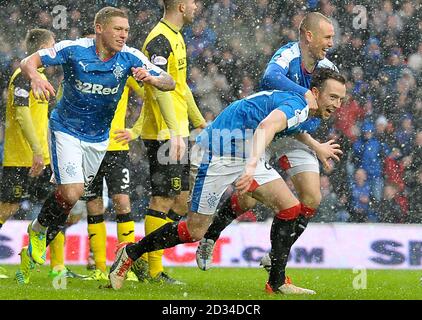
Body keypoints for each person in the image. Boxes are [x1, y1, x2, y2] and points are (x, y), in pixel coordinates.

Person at [108, 68, 346, 293]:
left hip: (243, 151)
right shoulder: (299, 103)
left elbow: (288, 126)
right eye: (332, 97)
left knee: (290, 208)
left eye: (340, 100)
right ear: (315, 93)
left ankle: (276, 282)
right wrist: (252, 166)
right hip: (217, 153)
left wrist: (316, 147)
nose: (336, 105)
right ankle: (130, 252)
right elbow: (267, 126)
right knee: (194, 231)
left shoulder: (303, 106)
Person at [18, 7, 176, 284]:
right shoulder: (74, 49)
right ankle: (40, 230)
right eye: (118, 29)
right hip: (66, 129)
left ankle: (38, 231)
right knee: (72, 191)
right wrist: (35, 75)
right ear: (100, 28)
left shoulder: (131, 56)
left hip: (99, 138)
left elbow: (169, 81)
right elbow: (27, 61)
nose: (124, 35)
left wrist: (152, 78)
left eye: (126, 30)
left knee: (72, 199)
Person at [195, 11, 337, 287]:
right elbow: (269, 78)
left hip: (294, 133)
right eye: (327, 36)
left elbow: (325, 102)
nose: (331, 42)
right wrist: (302, 92)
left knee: (312, 197)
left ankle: (276, 256)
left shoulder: (325, 66)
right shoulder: (287, 56)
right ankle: (211, 236)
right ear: (309, 36)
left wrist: (316, 140)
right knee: (247, 200)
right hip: (266, 129)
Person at [115, 0, 206, 284]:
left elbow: (180, 87)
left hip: (177, 131)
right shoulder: (159, 40)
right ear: (180, 5)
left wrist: (200, 121)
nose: (196, 6)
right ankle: (152, 270)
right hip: (164, 134)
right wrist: (175, 131)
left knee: (181, 201)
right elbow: (159, 89)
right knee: (163, 199)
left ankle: (139, 257)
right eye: (192, 2)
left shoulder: (176, 37)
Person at [0, 28, 55, 281]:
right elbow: (22, 115)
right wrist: (35, 151)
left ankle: (52, 264)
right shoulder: (24, 75)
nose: (55, 50)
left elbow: (40, 119)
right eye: (52, 45)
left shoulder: (40, 76)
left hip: (41, 157)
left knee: (55, 206)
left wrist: (47, 153)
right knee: (6, 208)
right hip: (21, 156)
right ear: (42, 48)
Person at [82, 75, 144, 281]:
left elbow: (152, 96)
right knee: (93, 204)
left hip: (116, 149)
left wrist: (136, 130)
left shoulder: (125, 70)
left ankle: (124, 266)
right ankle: (99, 268)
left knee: (122, 201)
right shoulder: (85, 69)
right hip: (90, 147)